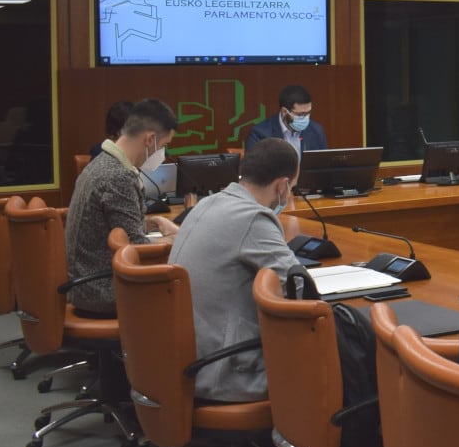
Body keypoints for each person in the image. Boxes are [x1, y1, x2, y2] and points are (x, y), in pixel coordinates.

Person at [168, 139, 302, 402]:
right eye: (292, 189)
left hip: (187, 361)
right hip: (225, 372)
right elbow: (299, 287)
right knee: (336, 352)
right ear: (282, 186)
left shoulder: (207, 203)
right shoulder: (253, 217)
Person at [65, 98, 180, 316]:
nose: (163, 154)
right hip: (102, 291)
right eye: (164, 146)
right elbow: (137, 250)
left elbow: (110, 225)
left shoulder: (101, 163)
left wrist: (152, 222)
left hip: (85, 283)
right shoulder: (119, 176)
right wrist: (175, 240)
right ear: (150, 140)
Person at [246, 84, 327, 154]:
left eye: (308, 112)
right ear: (284, 111)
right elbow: (253, 168)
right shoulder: (260, 133)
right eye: (300, 114)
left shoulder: (316, 131)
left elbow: (324, 165)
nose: (305, 118)